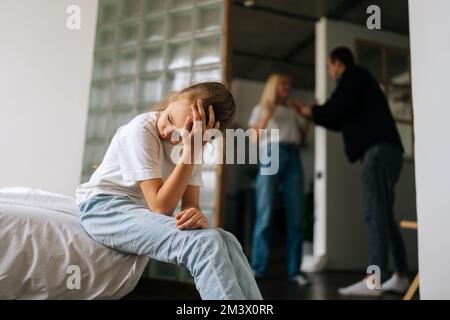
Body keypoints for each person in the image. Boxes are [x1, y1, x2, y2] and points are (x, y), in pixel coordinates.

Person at [75, 82, 263, 300]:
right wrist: (190, 152)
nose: (169, 133)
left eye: (182, 135)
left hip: (137, 212)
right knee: (205, 244)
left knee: (225, 239)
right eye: (171, 119)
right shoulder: (141, 130)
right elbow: (160, 207)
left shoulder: (194, 146)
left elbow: (190, 205)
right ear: (173, 99)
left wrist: (195, 215)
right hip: (102, 208)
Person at [296, 47, 410, 296]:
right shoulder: (361, 82)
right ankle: (400, 276)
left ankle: (375, 279)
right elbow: (340, 118)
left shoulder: (352, 77)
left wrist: (312, 112)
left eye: (329, 67)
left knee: (374, 213)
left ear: (338, 63)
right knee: (384, 215)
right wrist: (315, 115)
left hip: (378, 152)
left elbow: (336, 109)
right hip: (388, 151)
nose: (330, 72)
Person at [248, 72, 310, 285]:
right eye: (283, 83)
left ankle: (295, 271)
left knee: (296, 216)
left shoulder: (292, 111)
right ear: (274, 86)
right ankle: (258, 268)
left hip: (292, 155)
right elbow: (254, 138)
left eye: (289, 83)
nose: (288, 87)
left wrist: (306, 119)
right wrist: (267, 114)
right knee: (264, 213)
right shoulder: (260, 109)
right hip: (271, 152)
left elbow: (302, 140)